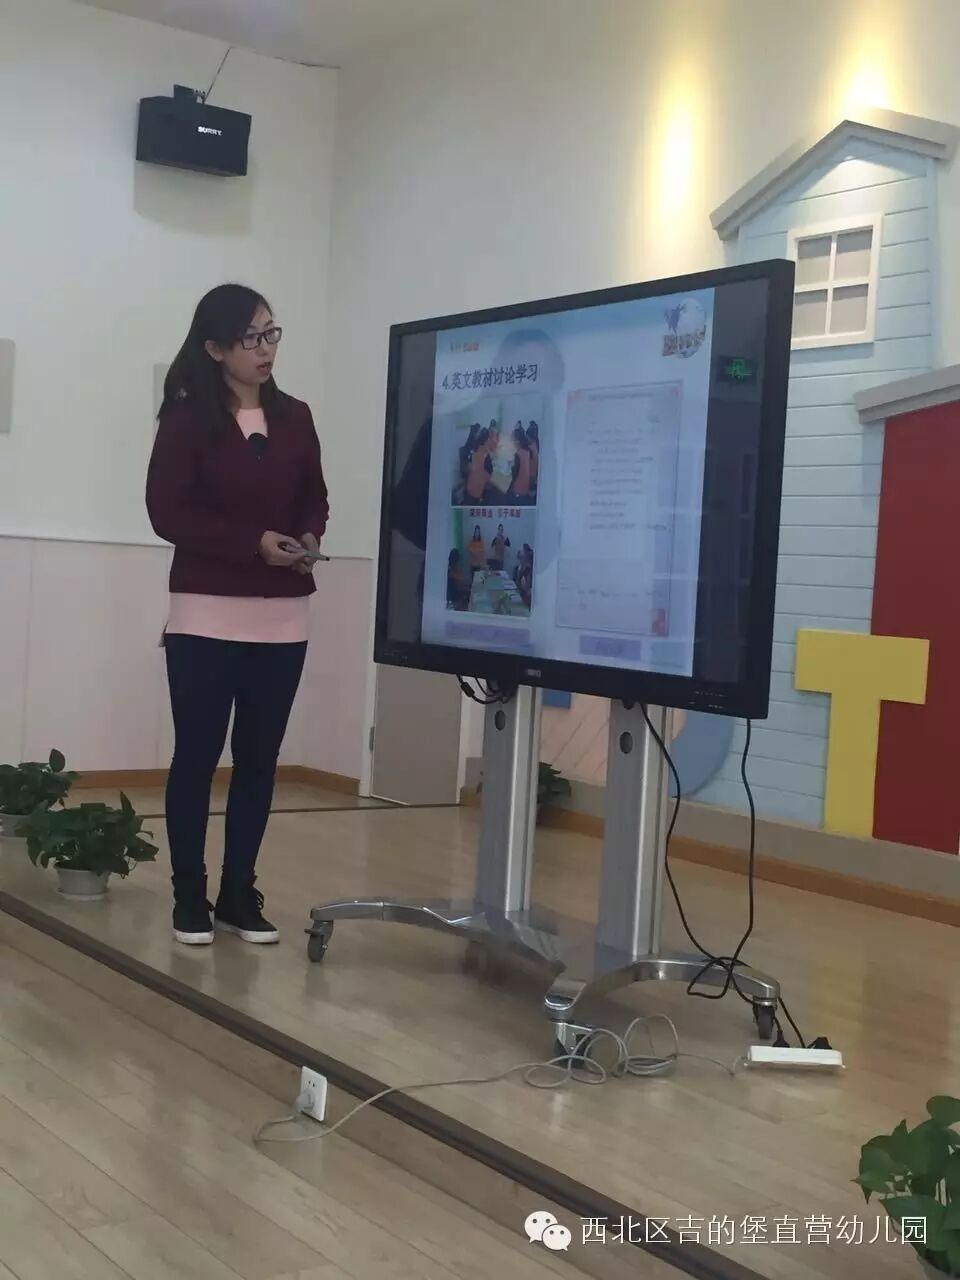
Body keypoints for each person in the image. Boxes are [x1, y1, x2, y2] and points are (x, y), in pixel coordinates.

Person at [146, 284, 328, 948]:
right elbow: (168, 512)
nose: (264, 349)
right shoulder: (187, 418)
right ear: (215, 348)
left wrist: (307, 538)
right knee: (197, 756)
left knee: (259, 760)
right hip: (205, 615)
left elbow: (314, 497)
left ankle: (237, 893)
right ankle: (188, 894)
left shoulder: (297, 416)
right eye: (250, 338)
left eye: (270, 333)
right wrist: (252, 544)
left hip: (283, 617)